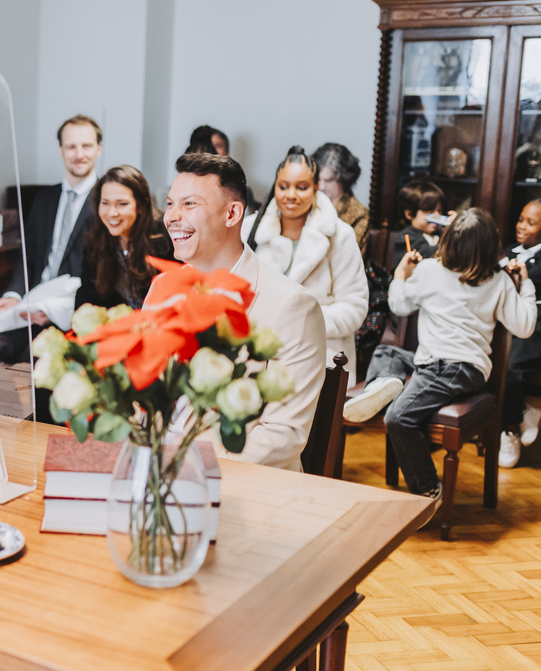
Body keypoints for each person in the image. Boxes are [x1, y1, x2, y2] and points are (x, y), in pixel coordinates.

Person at [343, 209, 537, 497]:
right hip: (463, 369)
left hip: (443, 368)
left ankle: (429, 489)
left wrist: (400, 274)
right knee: (388, 352)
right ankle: (385, 384)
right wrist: (527, 285)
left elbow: (397, 304)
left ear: (448, 242)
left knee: (397, 418)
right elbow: (524, 327)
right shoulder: (498, 281)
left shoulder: (428, 270)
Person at [163, 152, 327, 473]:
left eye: (189, 204)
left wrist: (188, 472)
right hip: (154, 472)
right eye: (170, 204)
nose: (172, 216)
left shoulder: (292, 306)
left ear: (232, 213)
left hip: (236, 483)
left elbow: (282, 436)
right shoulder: (166, 288)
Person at [245, 146, 369, 385]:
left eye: (301, 187)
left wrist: (298, 321)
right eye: (284, 186)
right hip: (257, 354)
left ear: (315, 188)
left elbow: (354, 308)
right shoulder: (250, 228)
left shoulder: (340, 235)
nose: (291, 195)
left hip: (320, 355)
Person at [0, 115, 102, 363]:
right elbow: (28, 256)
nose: (79, 153)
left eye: (86, 146)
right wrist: (14, 295)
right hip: (30, 306)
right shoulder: (44, 199)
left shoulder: (106, 204)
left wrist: (57, 312)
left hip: (71, 313)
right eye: (71, 146)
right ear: (61, 151)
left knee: (34, 358)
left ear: (99, 149)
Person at [75, 165, 174, 310]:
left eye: (122, 204)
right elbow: (87, 293)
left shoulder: (163, 238)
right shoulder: (96, 236)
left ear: (141, 206)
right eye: (105, 203)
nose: (112, 213)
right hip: (117, 325)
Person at [499, 199, 541, 468]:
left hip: (539, 324)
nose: (521, 227)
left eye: (531, 222)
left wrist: (521, 276)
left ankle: (510, 429)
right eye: (520, 219)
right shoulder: (510, 251)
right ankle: (524, 412)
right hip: (510, 319)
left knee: (511, 366)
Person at [311, 142, 369, 252]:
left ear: (344, 178)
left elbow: (352, 256)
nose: (322, 186)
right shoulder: (308, 201)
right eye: (318, 179)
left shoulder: (359, 215)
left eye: (329, 180)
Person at [390, 179, 449, 273]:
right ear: (409, 214)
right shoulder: (406, 237)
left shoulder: (439, 235)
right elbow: (426, 255)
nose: (437, 216)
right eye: (430, 212)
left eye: (439, 211)